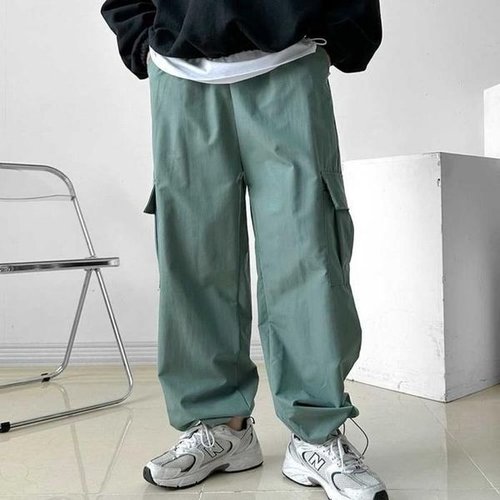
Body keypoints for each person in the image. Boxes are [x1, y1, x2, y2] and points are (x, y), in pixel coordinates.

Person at [101, 1, 387, 499]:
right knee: (194, 257)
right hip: (180, 70)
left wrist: (341, 30)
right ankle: (221, 428)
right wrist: (142, 38)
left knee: (307, 250)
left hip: (288, 59)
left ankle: (316, 433)